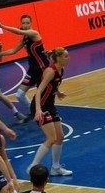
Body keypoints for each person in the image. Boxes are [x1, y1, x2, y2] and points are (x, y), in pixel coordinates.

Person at [0, 15, 51, 114]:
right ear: (21, 24)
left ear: (31, 24)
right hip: (32, 69)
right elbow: (13, 51)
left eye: (27, 23)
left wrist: (2, 26)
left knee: (42, 95)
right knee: (19, 94)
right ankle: (33, 112)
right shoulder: (24, 38)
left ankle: (50, 113)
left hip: (42, 69)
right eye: (23, 23)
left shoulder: (34, 33)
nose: (25, 25)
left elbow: (18, 31)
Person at [28, 47, 72, 176]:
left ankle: (56, 167)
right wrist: (38, 110)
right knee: (52, 138)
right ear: (58, 58)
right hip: (40, 106)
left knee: (60, 137)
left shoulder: (61, 70)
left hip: (50, 106)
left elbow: (54, 85)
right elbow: (39, 91)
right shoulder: (50, 71)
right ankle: (33, 166)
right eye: (65, 56)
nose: (68, 58)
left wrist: (58, 93)